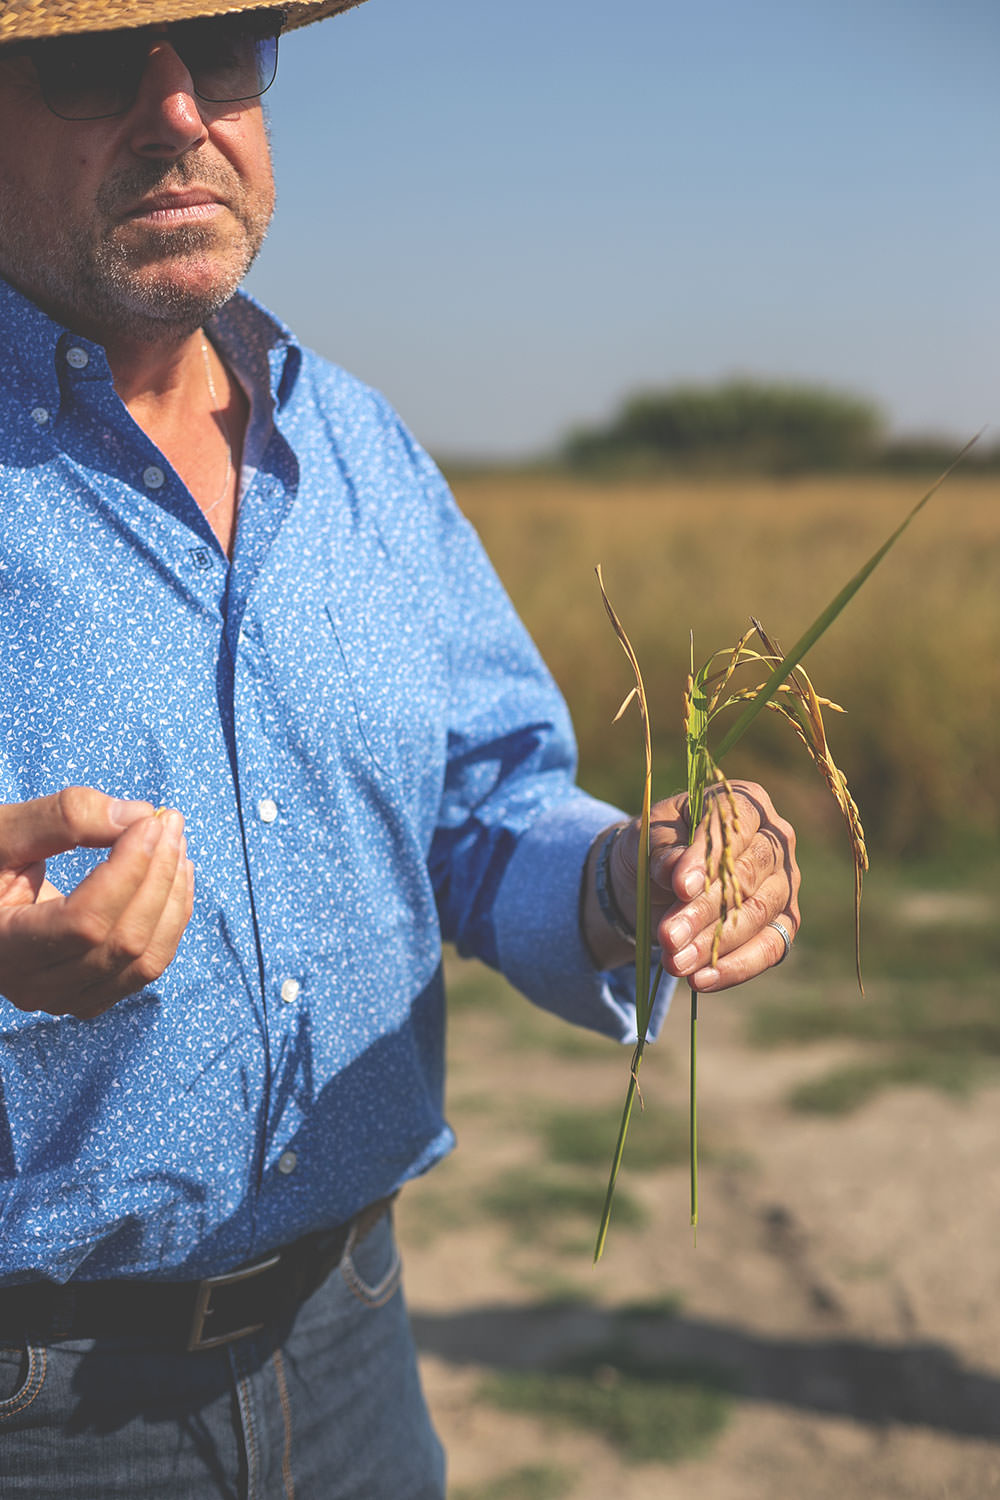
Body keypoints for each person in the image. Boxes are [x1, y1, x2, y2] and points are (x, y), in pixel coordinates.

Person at [0, 0, 800, 1494]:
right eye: (98, 64)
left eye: (226, 51)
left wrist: (638, 876)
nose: (181, 114)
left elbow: (485, 807)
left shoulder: (361, 447)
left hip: (352, 1341)